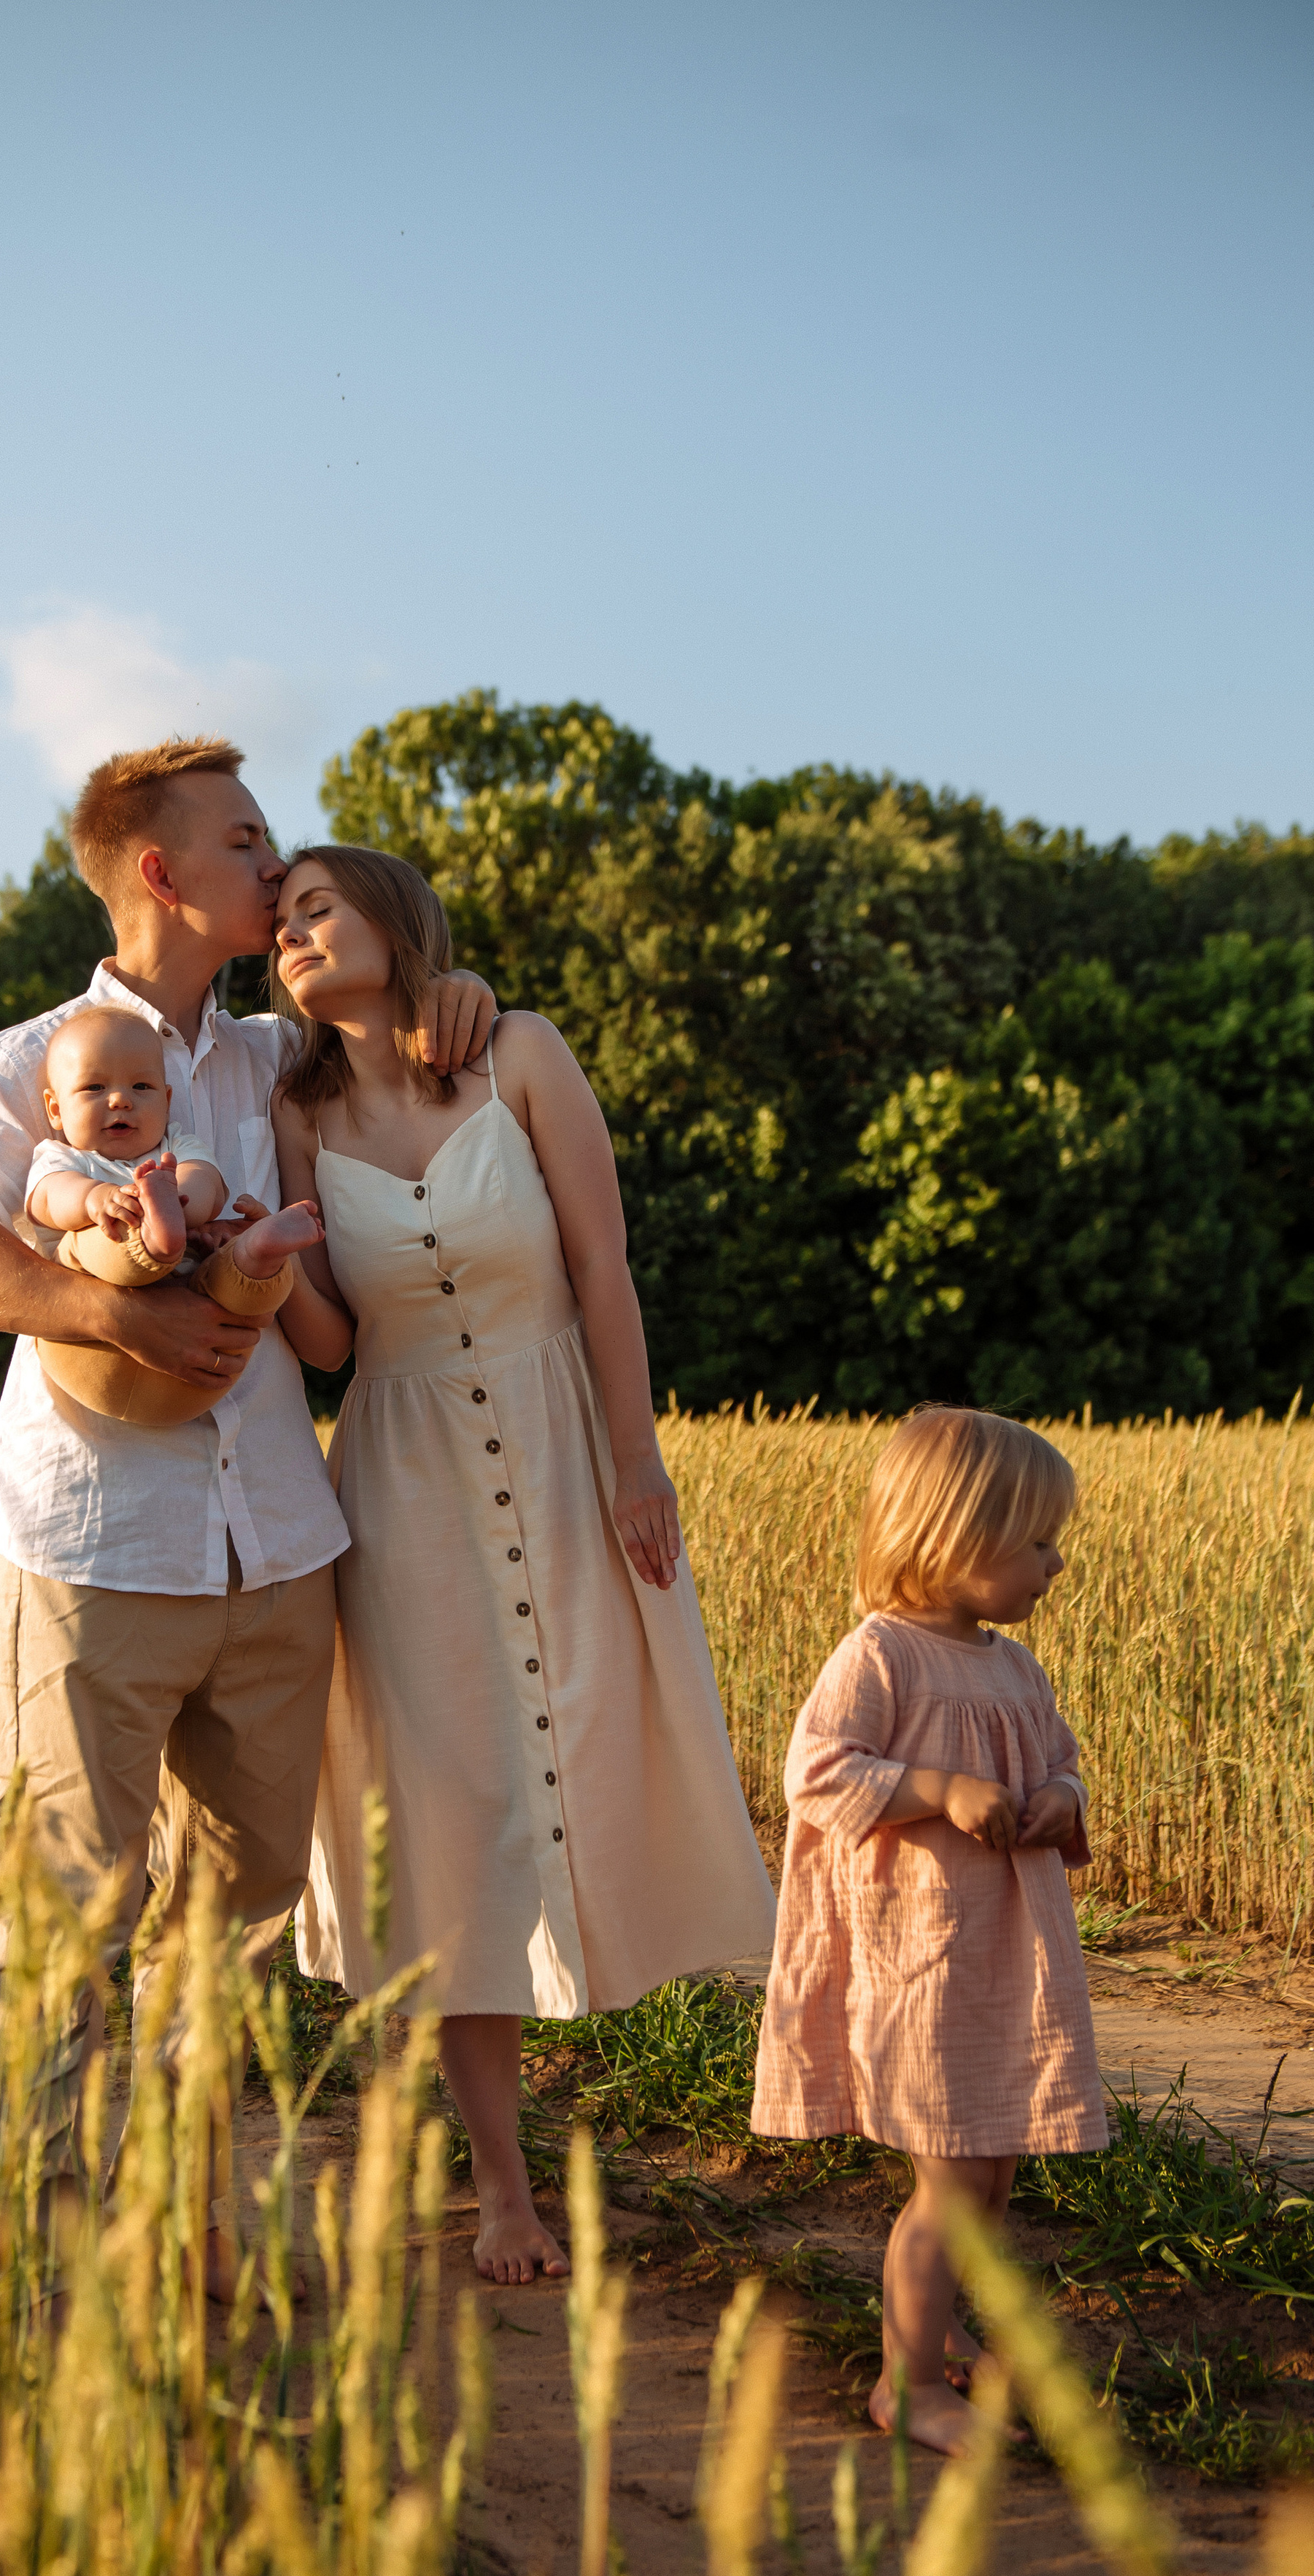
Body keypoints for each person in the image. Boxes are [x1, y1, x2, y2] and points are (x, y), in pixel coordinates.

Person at [0, 741, 495, 2286]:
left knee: (230, 1920)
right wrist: (111, 1323)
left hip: (278, 1550)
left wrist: (451, 995)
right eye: (243, 840)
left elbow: (407, 1058)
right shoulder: (36, 1055)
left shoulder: (273, 1064)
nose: (272, 862)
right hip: (95, 1549)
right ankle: (43, 2242)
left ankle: (188, 2215)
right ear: (160, 872)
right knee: (59, 1910)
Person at [263, 844, 778, 2288]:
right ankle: (501, 2184)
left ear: (388, 912)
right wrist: (262, 1261)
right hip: (399, 1486)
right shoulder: (294, 1107)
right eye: (278, 926)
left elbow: (603, 1270)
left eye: (316, 907)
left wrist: (635, 1459)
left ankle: (768, 2100)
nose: (292, 936)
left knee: (608, 1747)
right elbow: (327, 1345)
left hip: (562, 1450)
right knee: (442, 1815)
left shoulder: (524, 1055)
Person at [750, 1405, 1105, 2456]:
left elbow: (1061, 1756)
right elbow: (813, 1770)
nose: (1056, 1563)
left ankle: (938, 2325)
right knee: (950, 2177)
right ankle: (906, 2384)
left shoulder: (1013, 1668)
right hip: (919, 1957)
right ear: (955, 1536)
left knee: (991, 2166)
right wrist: (937, 1787)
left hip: (1003, 1949)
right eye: (1037, 1541)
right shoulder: (880, 1654)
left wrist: (1059, 1796)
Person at [26, 1003, 325, 1427]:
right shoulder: (66, 1160)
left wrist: (179, 1201)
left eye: (142, 1087)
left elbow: (207, 1182)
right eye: (94, 1088)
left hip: (202, 1341)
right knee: (93, 1242)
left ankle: (259, 1253)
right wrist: (96, 1199)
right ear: (55, 1109)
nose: (120, 1100)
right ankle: (152, 1237)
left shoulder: (173, 1149)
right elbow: (48, 1199)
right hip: (100, 1348)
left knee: (232, 1276)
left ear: (167, 1100)